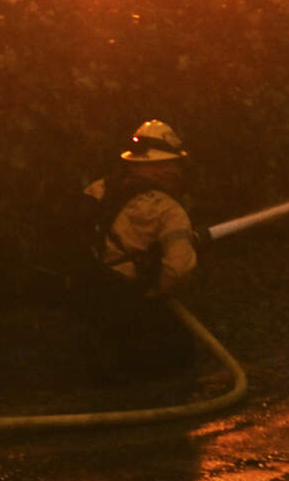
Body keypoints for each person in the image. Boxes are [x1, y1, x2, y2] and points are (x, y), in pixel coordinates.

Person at [75, 119, 203, 381]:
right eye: (173, 163)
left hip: (83, 293)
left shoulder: (97, 189)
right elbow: (178, 271)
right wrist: (152, 292)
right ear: (159, 166)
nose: (178, 171)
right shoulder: (168, 210)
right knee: (182, 350)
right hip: (127, 302)